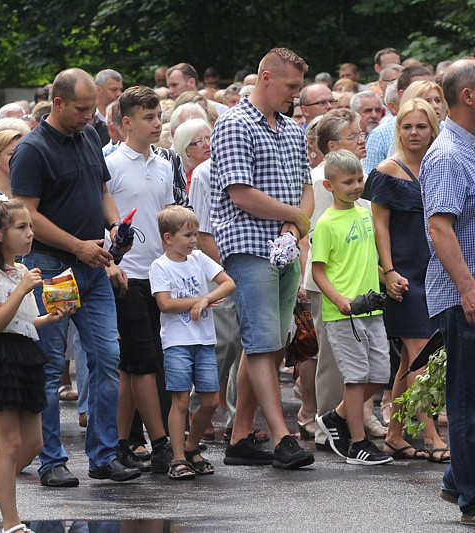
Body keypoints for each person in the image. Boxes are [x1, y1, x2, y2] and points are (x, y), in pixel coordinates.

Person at [11, 68, 141, 487]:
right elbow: (26, 213)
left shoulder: (89, 136)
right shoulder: (32, 149)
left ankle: (103, 455)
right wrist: (77, 245)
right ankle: (52, 460)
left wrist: (116, 225)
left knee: (107, 358)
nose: (91, 115)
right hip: (53, 268)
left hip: (93, 266)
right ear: (59, 103)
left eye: (94, 108)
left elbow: (102, 189)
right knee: (51, 367)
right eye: (83, 109)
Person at [210, 47, 314, 469]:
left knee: (268, 345)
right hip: (249, 245)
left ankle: (239, 437)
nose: (296, 95)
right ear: (266, 78)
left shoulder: (290, 128)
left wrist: (295, 224)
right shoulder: (234, 124)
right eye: (291, 86)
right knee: (263, 340)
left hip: (286, 245)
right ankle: (281, 436)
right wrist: (294, 217)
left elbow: (305, 185)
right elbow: (241, 193)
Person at [0, 196, 71, 533]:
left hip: (25, 356)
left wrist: (49, 318)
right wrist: (21, 290)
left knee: (33, 444)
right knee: (8, 444)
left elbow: (21, 322)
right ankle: (11, 522)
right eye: (21, 228)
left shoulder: (20, 270)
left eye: (30, 227)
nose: (29, 234)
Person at [365, 98, 445, 461]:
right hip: (403, 276)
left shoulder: (440, 165)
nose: (414, 133)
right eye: (407, 126)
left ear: (433, 129)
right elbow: (378, 226)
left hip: (435, 272)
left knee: (406, 364)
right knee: (421, 355)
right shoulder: (386, 170)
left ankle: (394, 435)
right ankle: (430, 434)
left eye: (421, 126)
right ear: (398, 130)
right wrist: (388, 271)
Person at [105, 86, 174, 475]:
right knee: (143, 360)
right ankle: (160, 442)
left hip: (158, 273)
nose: (157, 124)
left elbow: (164, 220)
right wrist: (109, 261)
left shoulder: (164, 165)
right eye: (148, 117)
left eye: (159, 116)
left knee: (135, 364)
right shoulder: (112, 164)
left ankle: (122, 442)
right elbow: (104, 220)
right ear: (126, 122)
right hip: (126, 274)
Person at [420, 57, 475, 526]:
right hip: (465, 296)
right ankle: (472, 499)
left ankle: (459, 479)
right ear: (469, 96)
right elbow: (440, 228)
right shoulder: (448, 155)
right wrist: (468, 288)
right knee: (467, 398)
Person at [313, 150, 394, 466]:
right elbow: (318, 270)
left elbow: (370, 259)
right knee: (357, 377)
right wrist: (339, 300)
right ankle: (358, 444)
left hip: (371, 308)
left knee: (380, 373)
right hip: (344, 313)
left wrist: (387, 279)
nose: (356, 186)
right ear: (328, 186)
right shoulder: (327, 224)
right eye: (348, 181)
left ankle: (336, 417)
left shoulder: (365, 213)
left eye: (359, 179)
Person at [150, 206, 235, 479]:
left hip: (205, 340)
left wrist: (205, 299)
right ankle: (177, 459)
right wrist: (198, 300)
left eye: (195, 234)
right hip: (177, 342)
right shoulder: (159, 266)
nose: (194, 240)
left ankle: (190, 446)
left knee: (210, 401)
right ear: (168, 238)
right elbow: (165, 304)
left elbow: (228, 283)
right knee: (181, 401)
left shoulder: (199, 259)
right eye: (187, 235)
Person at [172, 118, 211, 194]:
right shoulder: (182, 184)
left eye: (209, 138)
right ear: (186, 150)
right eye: (199, 141)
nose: (208, 144)